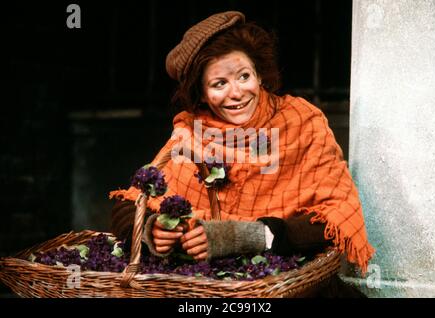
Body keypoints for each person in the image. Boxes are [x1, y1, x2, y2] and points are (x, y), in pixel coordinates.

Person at [109, 11, 374, 296]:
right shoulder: (191, 131)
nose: (235, 93)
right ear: (202, 94)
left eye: (243, 76)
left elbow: (333, 218)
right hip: (209, 291)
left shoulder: (302, 122)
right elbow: (130, 205)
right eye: (219, 84)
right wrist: (152, 232)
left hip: (292, 287)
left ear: (259, 75)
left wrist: (241, 237)